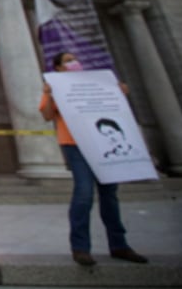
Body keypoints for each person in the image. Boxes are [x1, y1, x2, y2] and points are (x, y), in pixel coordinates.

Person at [40, 51, 149, 267]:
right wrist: (50, 95)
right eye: (68, 61)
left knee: (109, 195)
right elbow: (46, 114)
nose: (74, 63)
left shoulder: (96, 83)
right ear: (59, 68)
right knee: (84, 193)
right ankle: (80, 248)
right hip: (75, 145)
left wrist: (119, 93)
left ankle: (119, 244)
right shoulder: (56, 86)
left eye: (75, 59)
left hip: (102, 144)